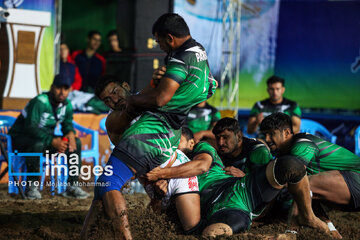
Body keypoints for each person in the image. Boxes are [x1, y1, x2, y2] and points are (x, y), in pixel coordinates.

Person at [81, 13, 217, 240]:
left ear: (170, 38)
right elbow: (210, 85)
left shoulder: (176, 62)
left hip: (167, 157)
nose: (113, 100)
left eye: (115, 93)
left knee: (108, 183)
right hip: (159, 159)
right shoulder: (198, 54)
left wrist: (153, 88)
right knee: (102, 187)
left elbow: (157, 99)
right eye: (107, 100)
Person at [146, 127, 329, 237]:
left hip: (238, 189)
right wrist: (157, 196)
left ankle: (308, 216)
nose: (171, 146)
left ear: (192, 143)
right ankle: (269, 237)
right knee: (211, 234)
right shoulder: (162, 171)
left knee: (290, 164)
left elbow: (201, 166)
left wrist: (164, 173)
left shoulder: (200, 150)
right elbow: (155, 216)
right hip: (221, 209)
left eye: (177, 141)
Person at [8, 74, 90, 200]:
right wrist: (52, 141)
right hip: (21, 139)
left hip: (44, 140)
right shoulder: (40, 101)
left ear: (70, 90)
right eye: (58, 88)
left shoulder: (67, 104)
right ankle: (31, 186)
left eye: (66, 89)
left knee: (76, 143)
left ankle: (72, 186)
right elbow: (30, 128)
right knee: (38, 144)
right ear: (52, 87)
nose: (62, 92)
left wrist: (71, 135)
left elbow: (67, 124)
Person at [260, 112, 360, 212]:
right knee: (302, 186)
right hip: (347, 187)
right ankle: (327, 226)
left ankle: (294, 226)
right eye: (265, 135)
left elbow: (288, 182)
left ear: (286, 133)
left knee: (297, 185)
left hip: (356, 179)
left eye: (272, 134)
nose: (267, 139)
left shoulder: (302, 144)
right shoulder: (283, 153)